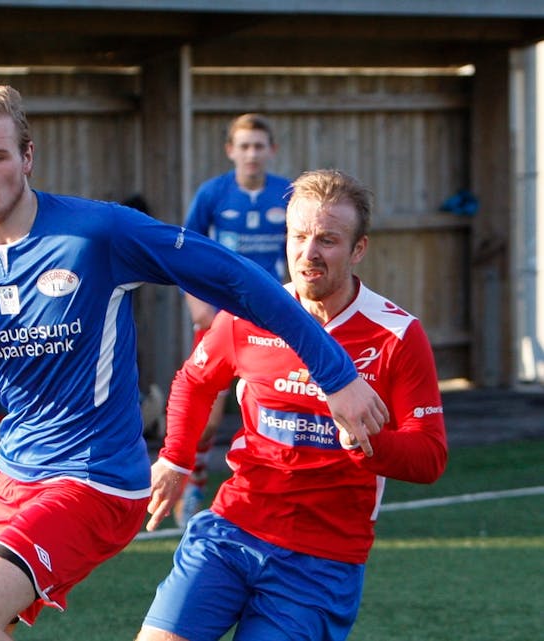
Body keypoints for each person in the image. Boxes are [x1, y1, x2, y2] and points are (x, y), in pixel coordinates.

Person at [0, 86, 388, 641]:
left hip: (98, 476)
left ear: (26, 158)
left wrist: (335, 373)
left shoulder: (96, 234)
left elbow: (234, 278)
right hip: (14, 471)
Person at [137, 169, 448, 641]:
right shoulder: (251, 313)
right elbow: (194, 380)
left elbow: (429, 457)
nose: (308, 254)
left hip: (321, 560)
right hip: (232, 528)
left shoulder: (397, 336)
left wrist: (364, 440)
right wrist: (176, 458)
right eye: (299, 236)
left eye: (327, 240)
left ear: (358, 249)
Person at [177, 113, 292, 526]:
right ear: (231, 151)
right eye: (244, 146)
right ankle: (193, 482)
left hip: (269, 316)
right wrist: (196, 302)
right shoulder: (212, 194)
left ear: (271, 151)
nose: (251, 154)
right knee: (207, 413)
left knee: (274, 405)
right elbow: (182, 250)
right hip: (219, 315)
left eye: (259, 146)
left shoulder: (286, 194)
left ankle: (267, 489)